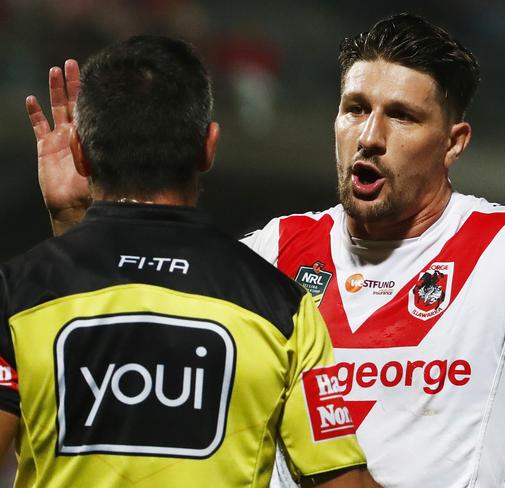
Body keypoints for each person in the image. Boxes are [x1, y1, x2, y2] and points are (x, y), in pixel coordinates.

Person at [30, 13, 505, 488]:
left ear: (453, 141)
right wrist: (78, 224)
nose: (371, 137)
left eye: (402, 117)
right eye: (355, 108)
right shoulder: (271, 253)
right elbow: (126, 373)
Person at [8, 35, 380, 488]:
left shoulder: (18, 293)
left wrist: (69, 227)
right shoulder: (282, 308)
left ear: (81, 153)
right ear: (209, 146)